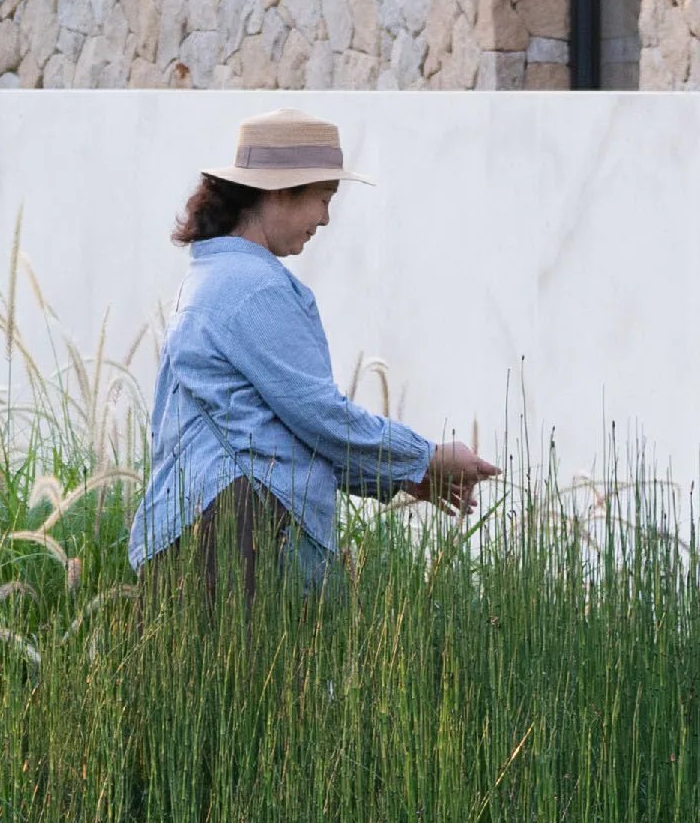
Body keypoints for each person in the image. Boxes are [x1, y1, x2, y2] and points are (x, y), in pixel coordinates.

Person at [127, 110, 497, 597]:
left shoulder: (209, 278)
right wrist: (426, 458)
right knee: (263, 675)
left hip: (198, 527)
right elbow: (320, 417)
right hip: (238, 532)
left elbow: (287, 432)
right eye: (322, 199)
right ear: (281, 192)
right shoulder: (253, 287)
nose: (324, 218)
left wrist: (407, 478)